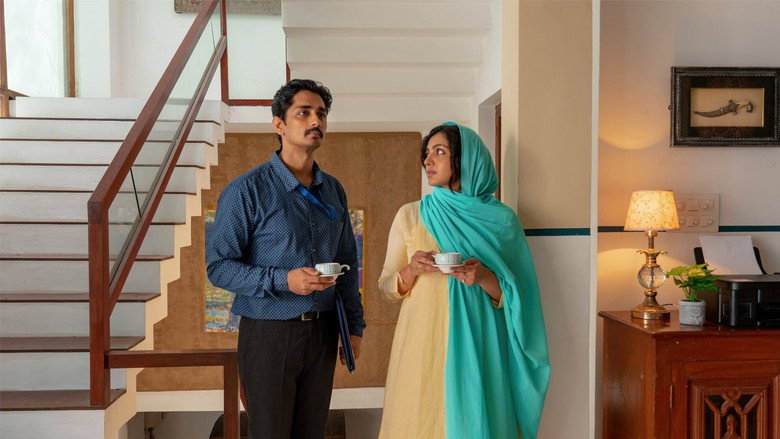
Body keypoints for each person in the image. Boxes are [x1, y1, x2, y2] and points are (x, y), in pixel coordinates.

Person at [206, 79, 365, 438]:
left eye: (321, 114)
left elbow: (347, 262)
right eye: (303, 113)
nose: (316, 121)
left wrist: (354, 327)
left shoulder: (333, 189)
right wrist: (284, 280)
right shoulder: (245, 191)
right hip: (268, 334)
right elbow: (219, 268)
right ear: (279, 124)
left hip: (324, 332)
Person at [378, 122, 550, 439]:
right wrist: (411, 270)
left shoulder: (502, 220)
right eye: (426, 153)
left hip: (480, 342)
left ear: (466, 158)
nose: (428, 160)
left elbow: (519, 296)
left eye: (439, 152)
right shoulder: (411, 215)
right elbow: (386, 288)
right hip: (422, 344)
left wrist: (484, 276)